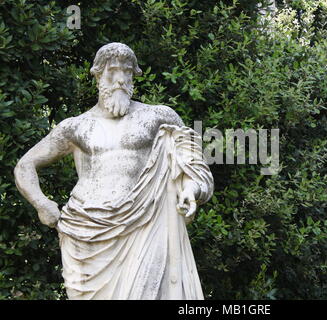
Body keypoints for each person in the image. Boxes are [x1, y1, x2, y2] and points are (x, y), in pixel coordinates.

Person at [14, 42, 213, 299]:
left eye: (127, 71)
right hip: (85, 231)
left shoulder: (158, 117)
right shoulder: (76, 127)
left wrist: (191, 188)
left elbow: (192, 160)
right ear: (98, 74)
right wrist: (41, 202)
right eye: (113, 70)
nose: (120, 79)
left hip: (146, 221)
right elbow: (25, 165)